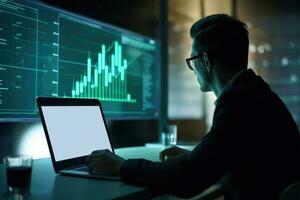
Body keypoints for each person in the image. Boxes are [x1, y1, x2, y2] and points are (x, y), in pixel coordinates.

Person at [86, 14, 300, 199]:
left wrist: (121, 166)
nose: (193, 68)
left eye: (193, 60)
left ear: (206, 60)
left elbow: (187, 180)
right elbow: (229, 155)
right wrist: (196, 157)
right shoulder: (253, 91)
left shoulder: (239, 101)